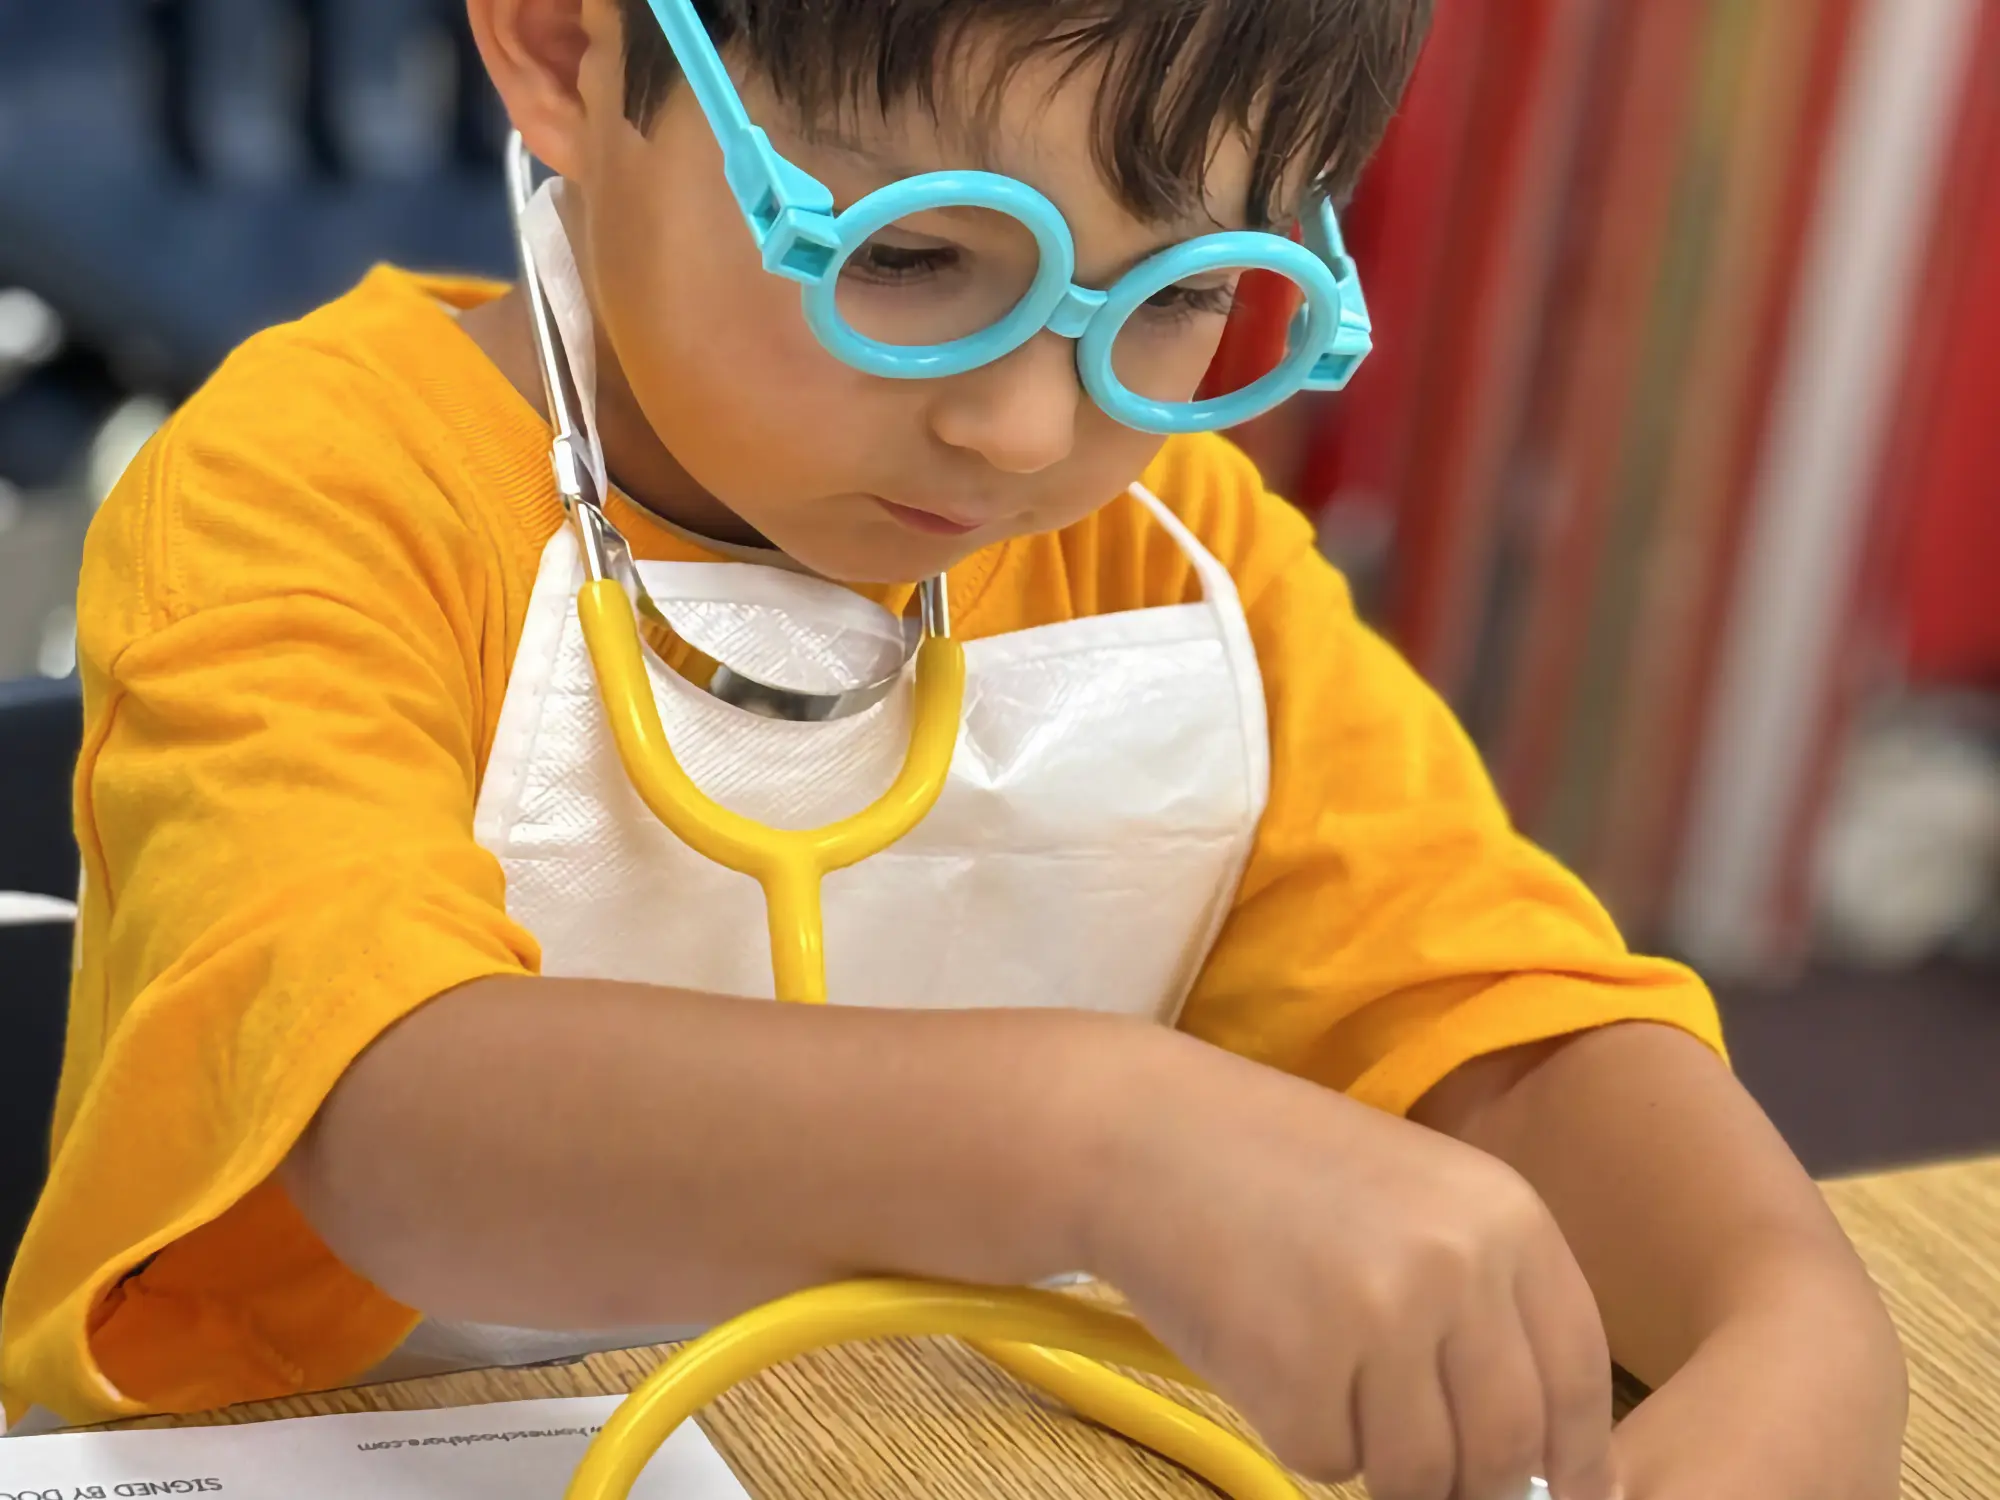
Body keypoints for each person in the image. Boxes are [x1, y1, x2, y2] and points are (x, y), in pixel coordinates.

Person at [2, 2, 1906, 1496]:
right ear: (573, 53)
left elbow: (1501, 1019)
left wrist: (1791, 1321)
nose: (1021, 428)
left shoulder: (1179, 567)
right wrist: (1105, 1142)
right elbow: (380, 1117)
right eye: (916, 258)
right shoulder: (307, 494)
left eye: (1176, 298)